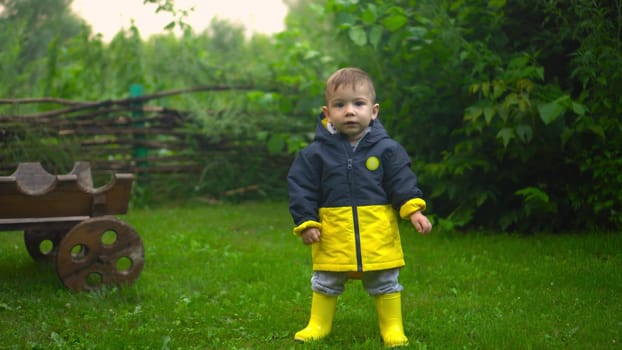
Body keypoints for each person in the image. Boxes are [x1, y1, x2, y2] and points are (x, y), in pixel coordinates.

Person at [287, 67, 432, 347]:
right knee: (326, 278)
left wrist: (413, 210)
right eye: (340, 105)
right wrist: (306, 221)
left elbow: (401, 180)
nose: (350, 111)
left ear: (374, 111)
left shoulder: (387, 149)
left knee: (385, 279)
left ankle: (392, 326)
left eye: (358, 103)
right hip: (334, 230)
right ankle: (319, 323)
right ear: (327, 113)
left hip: (376, 230)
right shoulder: (314, 154)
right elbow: (301, 188)